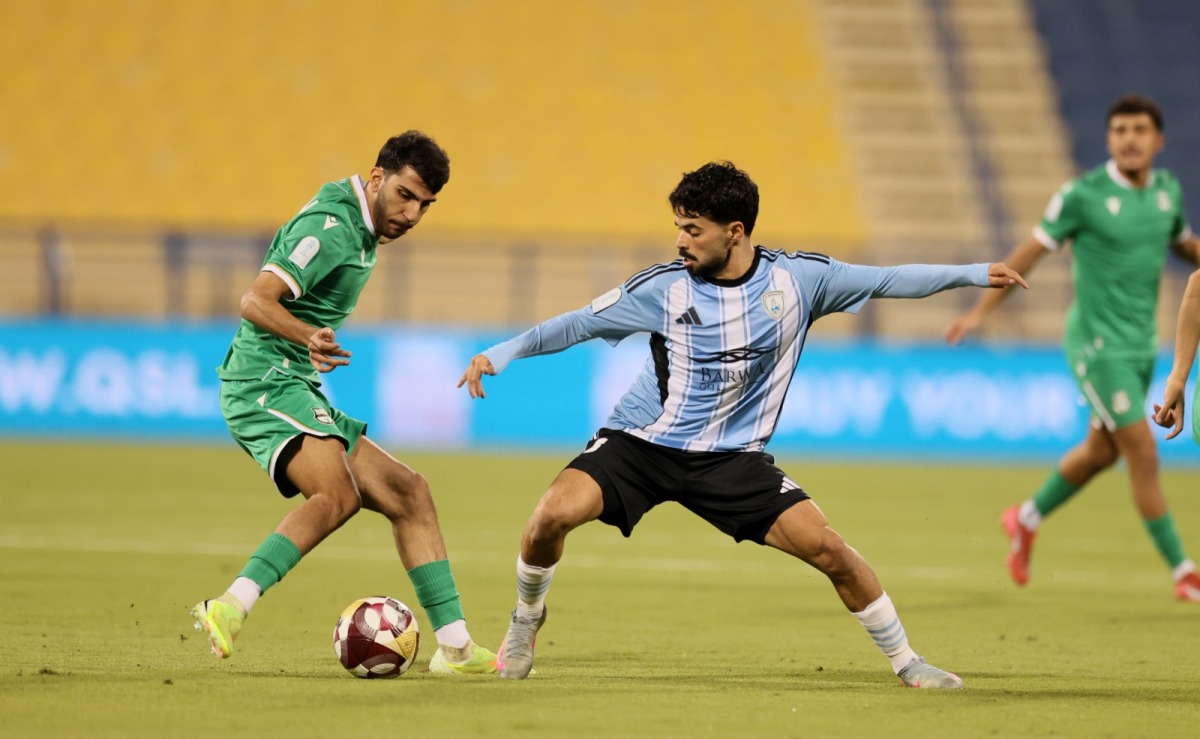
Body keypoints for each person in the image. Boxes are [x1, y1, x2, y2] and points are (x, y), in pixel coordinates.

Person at [457, 160, 1029, 687]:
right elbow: (577, 324)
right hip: (643, 443)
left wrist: (975, 273)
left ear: (735, 231)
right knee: (548, 517)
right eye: (679, 226)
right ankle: (526, 618)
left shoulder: (799, 282)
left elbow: (886, 279)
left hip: (732, 459)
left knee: (829, 549)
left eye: (694, 228)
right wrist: (501, 353)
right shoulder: (663, 287)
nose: (681, 240)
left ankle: (908, 664)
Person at [190, 131, 497, 674]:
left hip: (294, 382)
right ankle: (230, 606)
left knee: (410, 492)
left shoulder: (362, 225)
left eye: (425, 204)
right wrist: (308, 335)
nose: (412, 214)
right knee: (338, 495)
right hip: (262, 382)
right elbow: (254, 300)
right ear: (377, 177)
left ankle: (456, 650)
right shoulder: (330, 228)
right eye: (405, 195)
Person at [945, 94, 1200, 601]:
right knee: (1143, 455)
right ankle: (1184, 572)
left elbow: (1180, 244)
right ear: (1108, 140)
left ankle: (1025, 517)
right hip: (1096, 347)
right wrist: (981, 310)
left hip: (1141, 344)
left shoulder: (1166, 192)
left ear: (1158, 140)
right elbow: (1031, 252)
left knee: (1102, 452)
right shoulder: (1082, 195)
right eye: (1120, 129)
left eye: (1139, 130)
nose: (1129, 138)